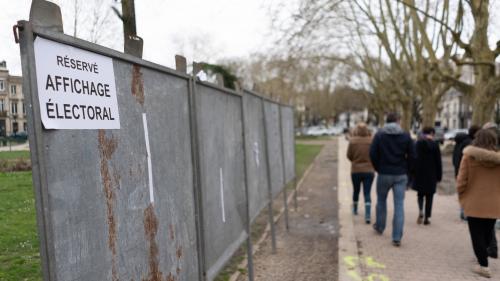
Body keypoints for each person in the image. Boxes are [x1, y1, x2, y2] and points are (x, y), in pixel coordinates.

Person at [456, 129, 500, 278]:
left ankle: (484, 266)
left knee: (476, 235)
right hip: (494, 202)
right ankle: (484, 254)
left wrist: (462, 196)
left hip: (473, 202)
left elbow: (461, 180)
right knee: (488, 232)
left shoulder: (468, 157)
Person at [369, 113, 415, 247]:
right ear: (398, 121)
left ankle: (380, 226)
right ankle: (396, 236)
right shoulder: (406, 136)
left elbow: (372, 153)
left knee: (381, 201)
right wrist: (407, 170)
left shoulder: (379, 135)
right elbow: (413, 155)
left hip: (384, 173)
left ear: (386, 121)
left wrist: (378, 167)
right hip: (400, 174)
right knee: (399, 205)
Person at [412, 127, 442, 225]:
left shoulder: (418, 143)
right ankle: (426, 218)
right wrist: (439, 176)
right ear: (432, 133)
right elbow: (438, 161)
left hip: (420, 172)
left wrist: (412, 172)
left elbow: (414, 157)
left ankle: (421, 210)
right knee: (430, 196)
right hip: (431, 173)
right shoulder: (435, 144)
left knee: (420, 194)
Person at [347, 122, 375, 224]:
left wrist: (355, 160)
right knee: (367, 192)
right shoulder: (371, 141)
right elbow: (375, 154)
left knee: (356, 190)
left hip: (356, 170)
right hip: (369, 170)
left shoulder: (352, 141)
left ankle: (355, 209)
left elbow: (349, 155)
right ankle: (367, 214)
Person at [452, 125, 481, 220]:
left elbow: (455, 158)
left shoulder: (460, 142)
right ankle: (464, 213)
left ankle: (462, 212)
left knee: (462, 191)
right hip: (465, 171)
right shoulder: (470, 143)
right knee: (467, 192)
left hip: (458, 170)